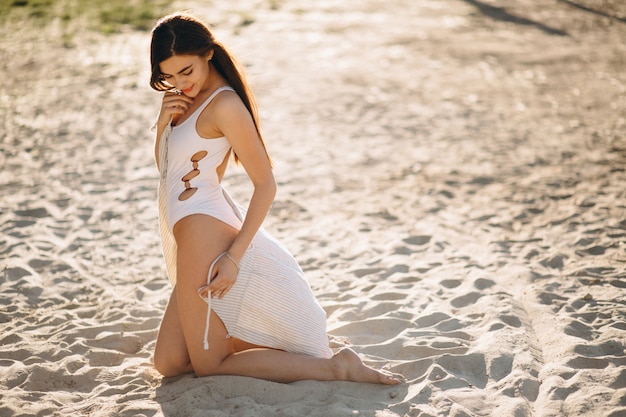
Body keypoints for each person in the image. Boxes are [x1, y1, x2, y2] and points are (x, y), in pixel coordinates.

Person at [149, 12, 401, 385]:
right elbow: (167, 171)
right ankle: (253, 347)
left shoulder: (224, 105)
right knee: (169, 362)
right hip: (190, 236)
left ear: (207, 54)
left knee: (210, 365)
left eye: (186, 71)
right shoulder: (182, 101)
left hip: (206, 234)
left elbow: (266, 184)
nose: (179, 83)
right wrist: (163, 121)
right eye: (168, 76)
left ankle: (338, 368)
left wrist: (233, 257)